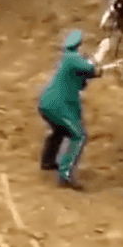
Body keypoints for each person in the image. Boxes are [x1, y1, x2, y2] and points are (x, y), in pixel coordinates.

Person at [37, 29, 110, 190]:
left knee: (60, 129)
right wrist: (102, 51)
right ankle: (65, 175)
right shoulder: (72, 59)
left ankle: (48, 161)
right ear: (78, 45)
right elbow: (89, 68)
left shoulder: (67, 60)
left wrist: (98, 70)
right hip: (57, 105)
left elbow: (86, 74)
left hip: (47, 104)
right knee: (78, 135)